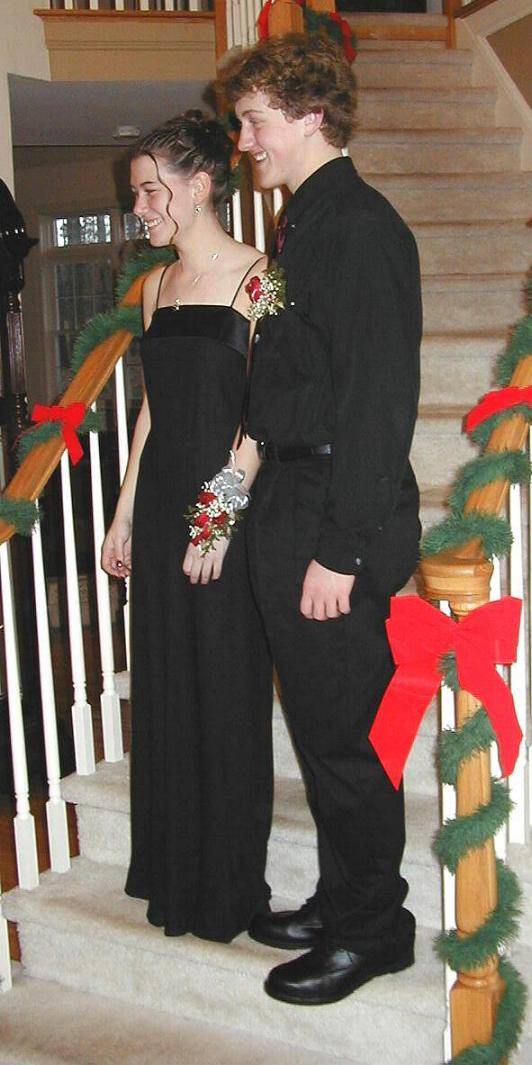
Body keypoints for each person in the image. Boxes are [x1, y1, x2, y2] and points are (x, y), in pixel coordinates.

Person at [218, 34, 422, 1003]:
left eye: (255, 120)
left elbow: (378, 402)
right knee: (318, 725)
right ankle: (344, 899)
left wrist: (340, 550)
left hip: (337, 509)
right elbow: (287, 388)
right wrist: (230, 510)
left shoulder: (361, 227)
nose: (243, 140)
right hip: (290, 498)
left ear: (310, 116)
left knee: (343, 739)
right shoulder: (304, 224)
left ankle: (375, 929)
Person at [101, 111, 273, 942]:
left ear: (199, 185)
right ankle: (174, 872)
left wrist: (219, 515)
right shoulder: (154, 287)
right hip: (166, 500)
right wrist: (125, 509)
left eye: (148, 190)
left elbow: (266, 411)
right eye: (137, 192)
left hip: (226, 508)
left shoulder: (263, 279)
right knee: (167, 688)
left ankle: (230, 886)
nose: (138, 206)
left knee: (228, 692)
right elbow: (152, 409)